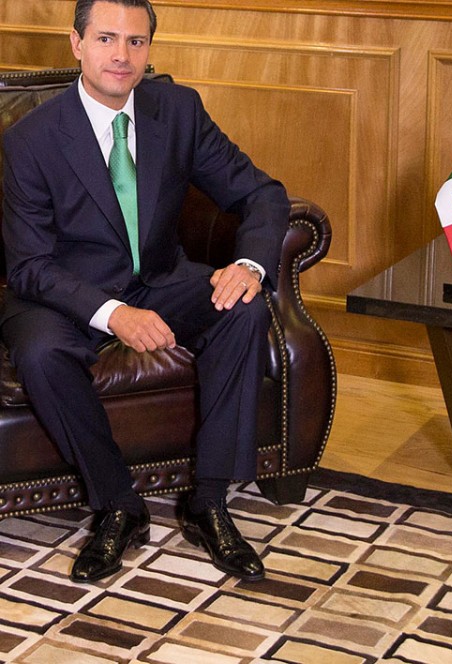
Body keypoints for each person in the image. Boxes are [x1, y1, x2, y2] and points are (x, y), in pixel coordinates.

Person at [1, 0, 289, 584]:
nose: (122, 55)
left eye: (136, 42)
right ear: (77, 44)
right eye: (107, 39)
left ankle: (208, 501)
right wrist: (114, 316)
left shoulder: (177, 110)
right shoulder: (29, 139)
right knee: (39, 352)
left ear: (149, 49)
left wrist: (251, 264)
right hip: (63, 293)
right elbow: (29, 264)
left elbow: (262, 193)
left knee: (240, 305)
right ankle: (119, 505)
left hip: (159, 277)